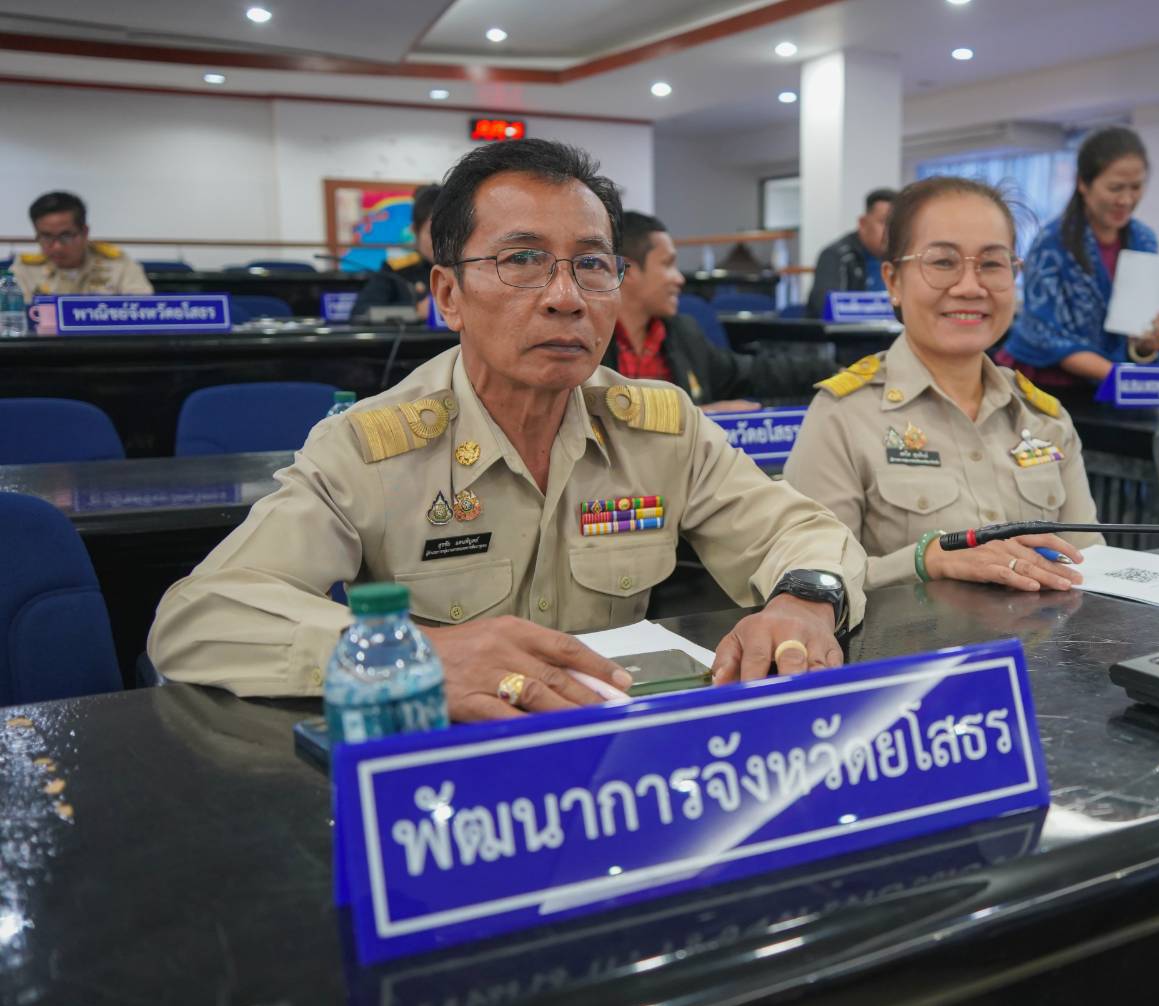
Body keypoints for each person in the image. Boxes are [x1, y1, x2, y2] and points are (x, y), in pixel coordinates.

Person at [149, 139, 866, 723]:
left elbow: (801, 532)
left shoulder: (661, 426)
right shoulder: (371, 447)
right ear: (448, 295)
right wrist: (417, 656)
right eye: (521, 260)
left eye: (590, 264)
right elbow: (197, 616)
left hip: (618, 759)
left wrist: (804, 599)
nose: (564, 297)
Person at [785, 176, 1101, 592]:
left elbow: (1092, 568)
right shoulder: (844, 415)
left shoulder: (1045, 418)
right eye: (942, 262)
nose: (970, 287)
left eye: (992, 264)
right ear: (893, 281)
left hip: (1043, 652)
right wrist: (924, 561)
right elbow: (806, 580)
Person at [611, 211, 834, 413]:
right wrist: (697, 417)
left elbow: (753, 372)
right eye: (668, 264)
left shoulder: (682, 333)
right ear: (627, 271)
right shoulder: (589, 343)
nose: (679, 279)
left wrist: (836, 371)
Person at [999, 127, 1159, 389]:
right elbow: (1045, 334)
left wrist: (1145, 345)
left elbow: (1135, 330)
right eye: (1115, 188)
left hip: (1114, 383)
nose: (1126, 199)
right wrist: (1120, 377)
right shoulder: (1052, 243)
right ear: (1083, 184)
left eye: (1136, 187)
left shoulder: (1144, 241)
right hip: (1048, 384)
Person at [10, 191, 152, 302]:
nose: (57, 247)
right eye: (47, 237)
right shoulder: (24, 270)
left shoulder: (118, 264)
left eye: (66, 236)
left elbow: (144, 309)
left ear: (84, 232)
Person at [350, 184, 440, 321]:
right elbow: (359, 313)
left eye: (448, 232)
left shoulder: (468, 268)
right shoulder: (395, 271)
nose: (441, 240)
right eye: (431, 232)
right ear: (415, 231)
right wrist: (414, 310)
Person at [805, 187, 896, 319]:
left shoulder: (901, 258)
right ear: (862, 223)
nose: (890, 231)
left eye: (895, 224)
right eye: (883, 222)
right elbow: (827, 307)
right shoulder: (836, 256)